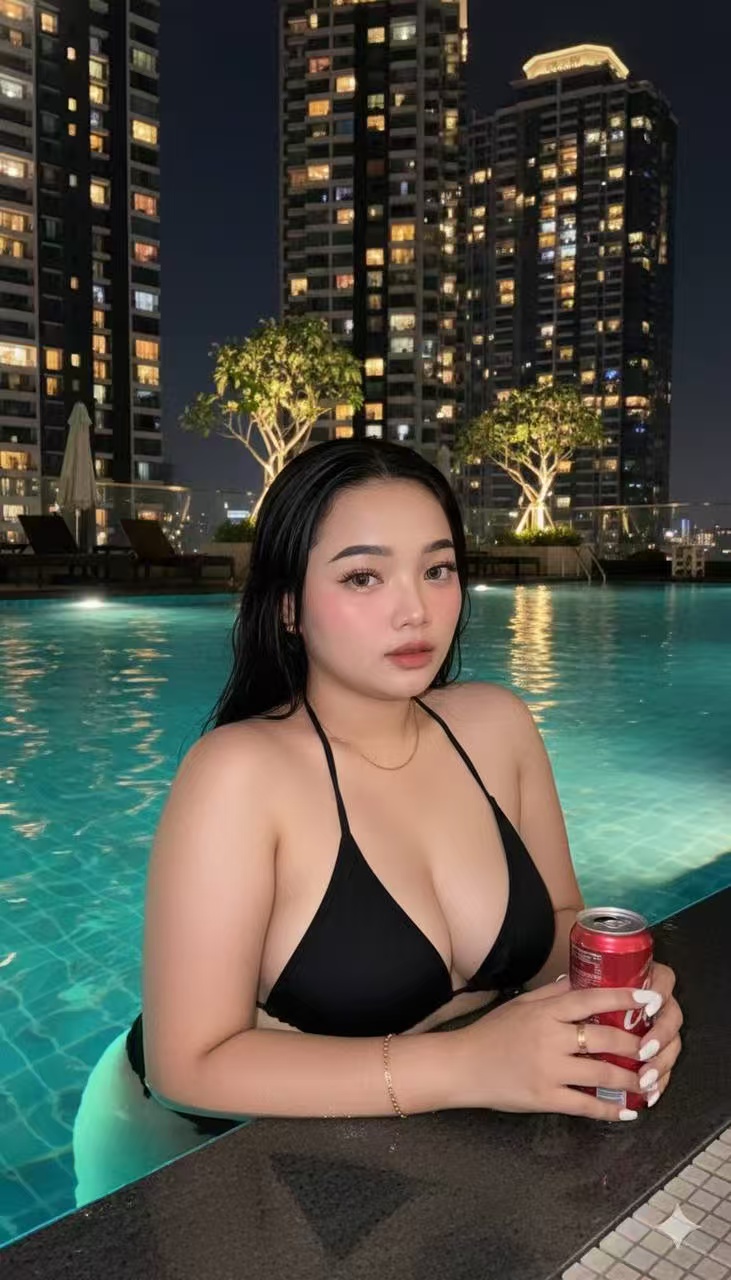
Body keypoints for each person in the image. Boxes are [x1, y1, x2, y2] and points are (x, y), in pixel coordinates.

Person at [72, 438, 682, 1206]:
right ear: (287, 605)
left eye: (437, 569)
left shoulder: (496, 727)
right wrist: (469, 1065)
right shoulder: (239, 775)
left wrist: (617, 994)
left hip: (429, 1130)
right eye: (363, 576)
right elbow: (187, 1066)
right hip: (199, 1137)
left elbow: (559, 921)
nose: (414, 610)